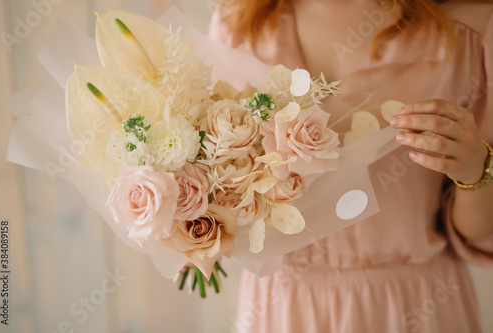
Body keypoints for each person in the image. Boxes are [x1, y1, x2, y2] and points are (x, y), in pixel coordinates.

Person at [209, 0, 493, 332]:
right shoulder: (236, 28)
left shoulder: (470, 33)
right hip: (282, 311)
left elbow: (477, 233)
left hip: (415, 307)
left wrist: (477, 170)